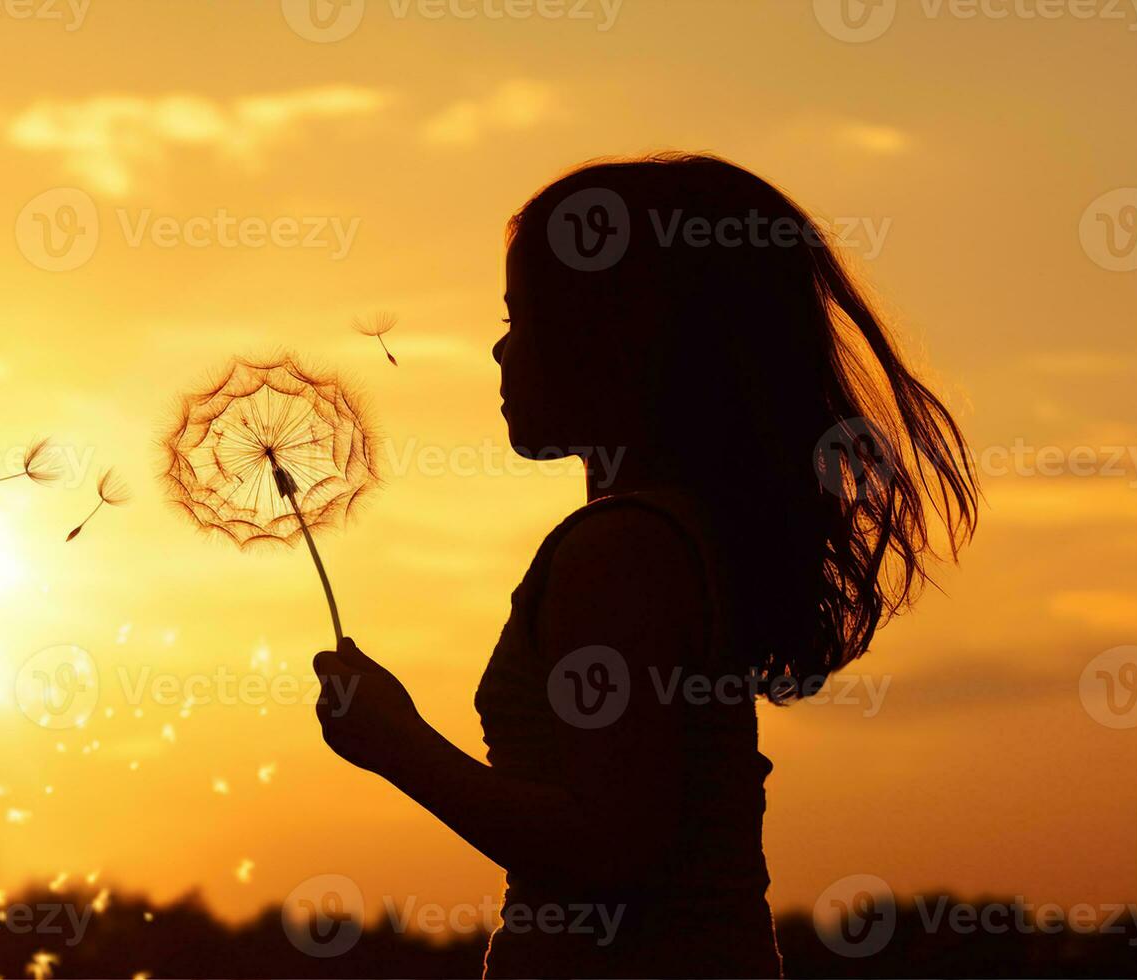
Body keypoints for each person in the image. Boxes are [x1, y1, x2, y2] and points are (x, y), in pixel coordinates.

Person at [311, 153, 979, 978]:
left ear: (615, 342)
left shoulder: (620, 553)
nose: (495, 348)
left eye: (522, 318)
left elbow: (607, 847)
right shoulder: (673, 537)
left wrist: (397, 744)